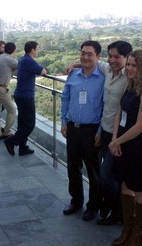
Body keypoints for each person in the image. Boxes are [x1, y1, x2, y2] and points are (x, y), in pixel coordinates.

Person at [109, 49, 142, 246]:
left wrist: (118, 141)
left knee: (139, 188)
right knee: (125, 185)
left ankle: (138, 233)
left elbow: (140, 125)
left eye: (134, 65)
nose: (129, 68)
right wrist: (114, 138)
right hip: (122, 141)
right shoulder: (130, 87)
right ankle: (127, 229)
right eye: (128, 64)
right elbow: (120, 113)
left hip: (137, 145)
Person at [61, 40, 105, 221]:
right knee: (73, 167)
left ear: (98, 57)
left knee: (94, 171)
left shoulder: (104, 78)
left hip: (91, 131)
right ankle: (76, 201)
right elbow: (65, 99)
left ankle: (93, 206)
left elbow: (106, 107)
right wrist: (64, 122)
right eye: (83, 53)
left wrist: (100, 131)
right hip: (72, 128)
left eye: (90, 54)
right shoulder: (73, 76)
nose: (85, 57)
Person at [4, 41, 47, 156]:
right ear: (32, 50)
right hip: (26, 96)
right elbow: (42, 71)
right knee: (30, 124)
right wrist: (40, 70)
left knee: (23, 123)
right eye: (37, 49)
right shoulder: (29, 61)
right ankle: (11, 141)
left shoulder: (23, 59)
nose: (38, 51)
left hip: (20, 94)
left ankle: (23, 147)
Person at [0, 42, 17, 140]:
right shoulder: (9, 59)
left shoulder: (1, 57)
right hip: (0, 88)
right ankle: (7, 131)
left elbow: (9, 68)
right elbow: (21, 65)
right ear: (14, 50)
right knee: (12, 110)